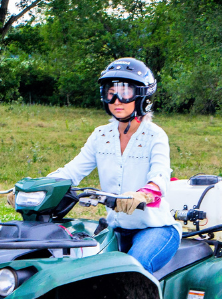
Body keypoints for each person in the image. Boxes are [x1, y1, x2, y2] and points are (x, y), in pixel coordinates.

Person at [48, 57, 181, 274]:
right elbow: (73, 171)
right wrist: (38, 187)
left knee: (132, 271)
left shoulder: (154, 135)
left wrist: (143, 195)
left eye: (125, 91)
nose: (117, 100)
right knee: (82, 270)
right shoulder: (101, 134)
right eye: (111, 92)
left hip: (155, 229)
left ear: (141, 95)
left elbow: (160, 176)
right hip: (115, 228)